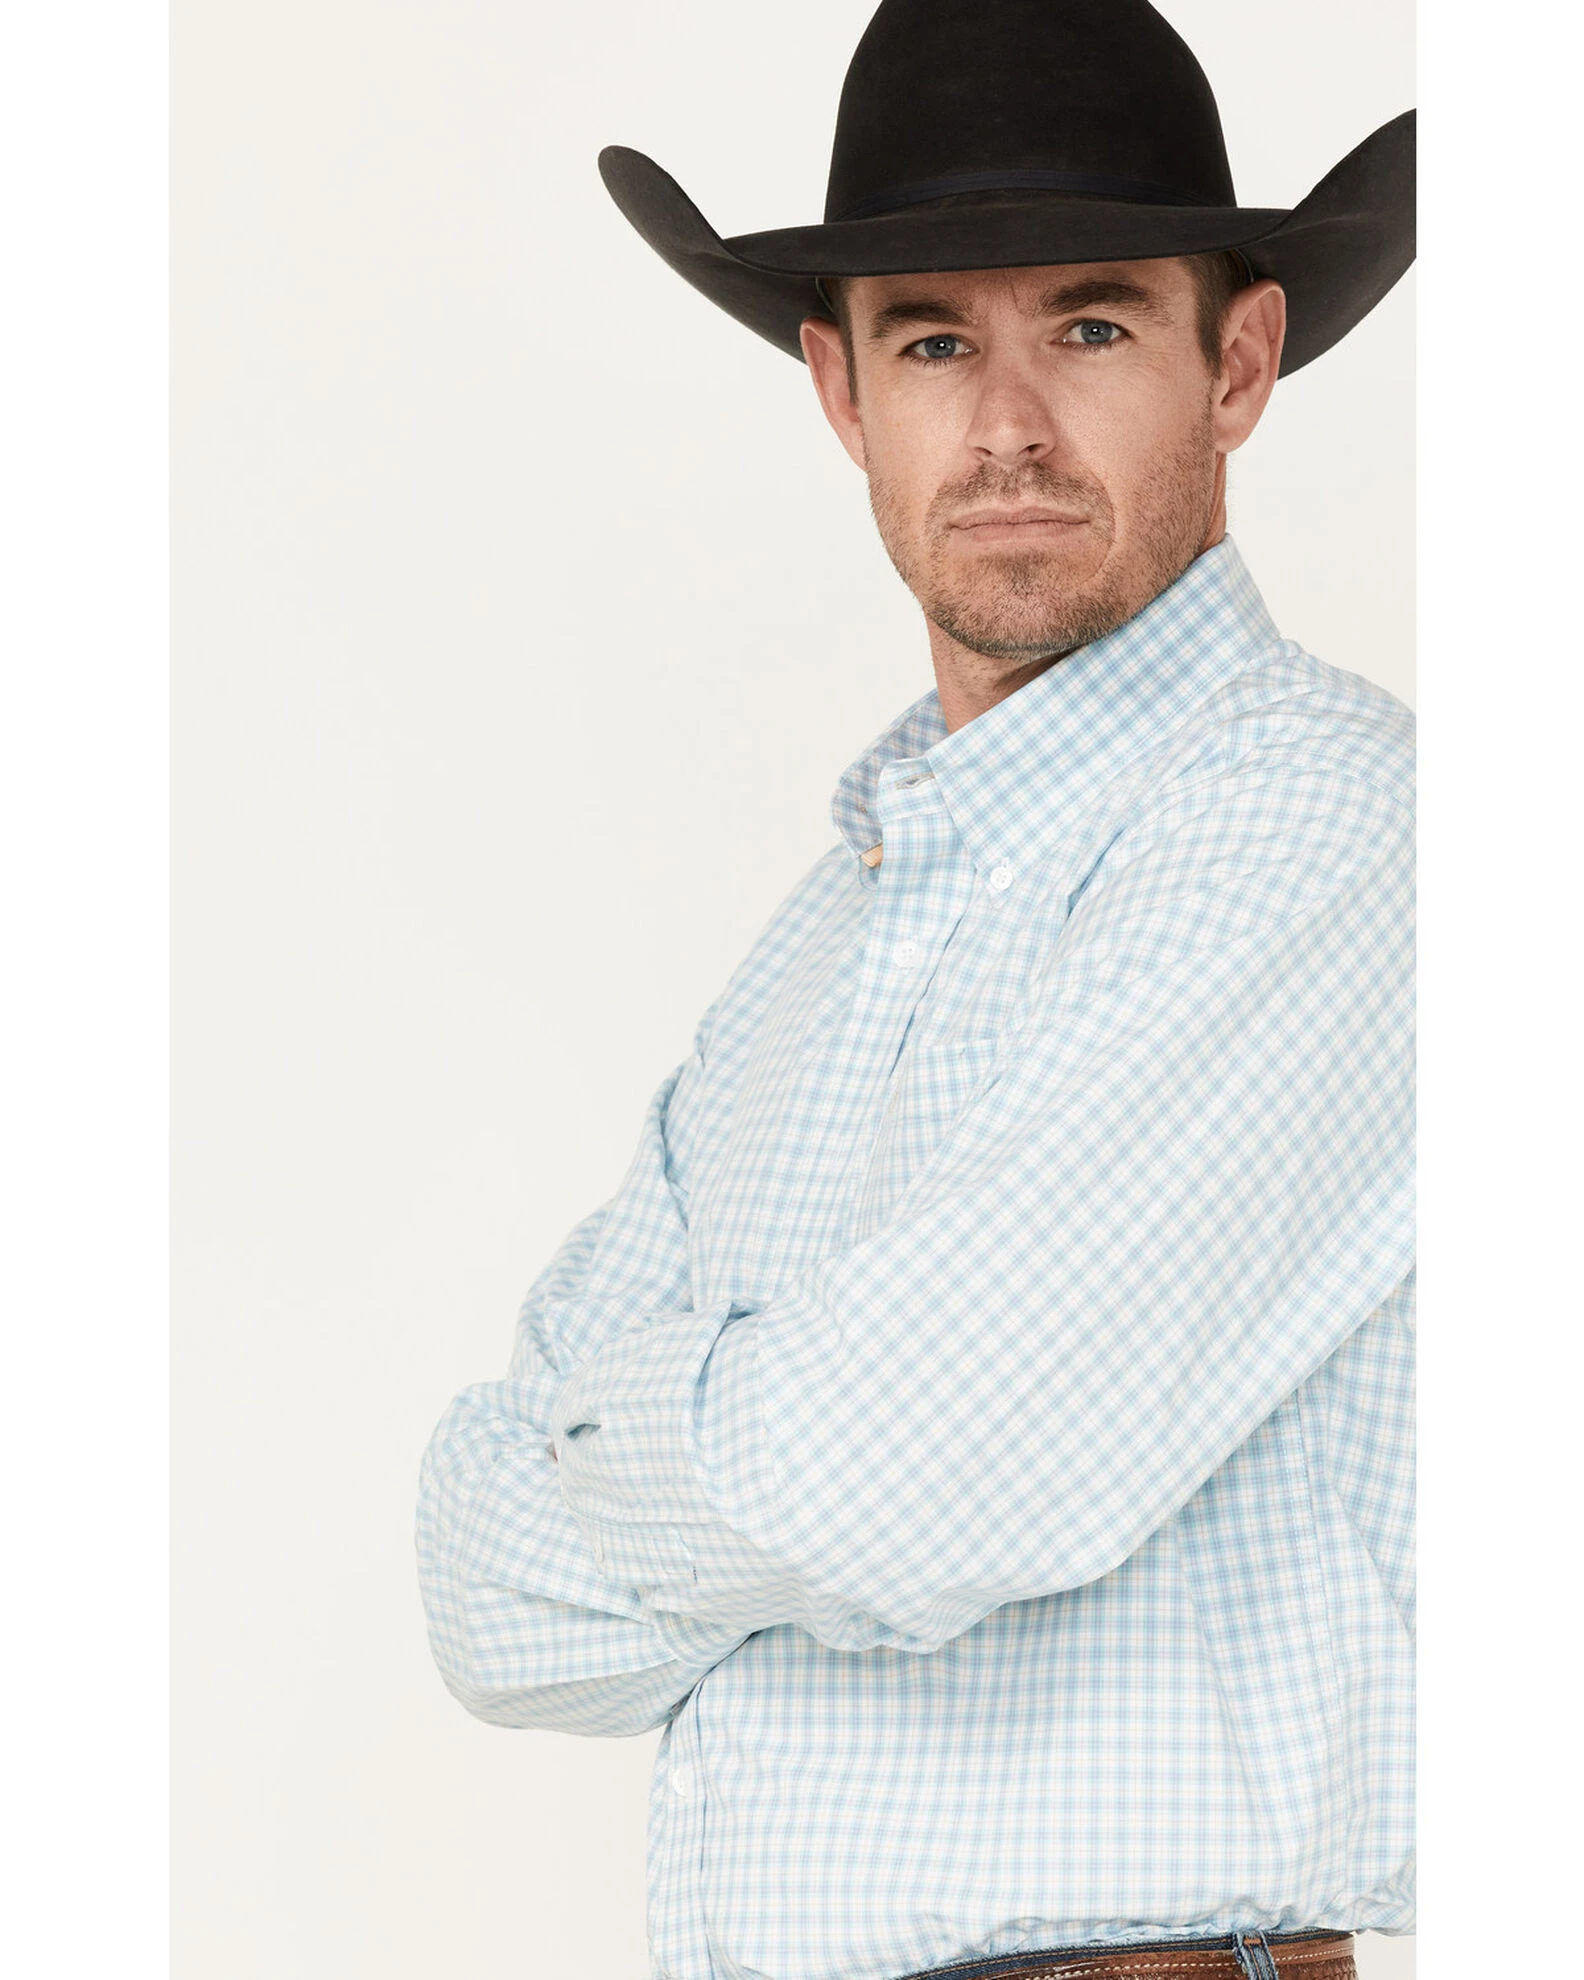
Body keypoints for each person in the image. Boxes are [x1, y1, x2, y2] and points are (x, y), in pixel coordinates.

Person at [415, 4, 1415, 1977]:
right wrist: (792, 1455)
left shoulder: (1336, 827)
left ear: (1237, 362)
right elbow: (479, 1593)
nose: (1009, 426)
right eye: (936, 343)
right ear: (842, 391)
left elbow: (910, 1477)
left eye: (1092, 326)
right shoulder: (815, 948)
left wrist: (660, 1461)